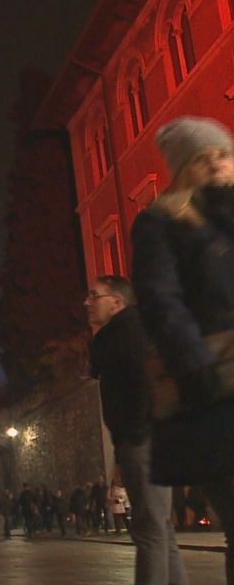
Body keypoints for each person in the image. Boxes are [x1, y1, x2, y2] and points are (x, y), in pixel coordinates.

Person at [131, 115, 234, 583]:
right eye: (201, 159)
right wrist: (195, 365)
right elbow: (159, 299)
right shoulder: (161, 222)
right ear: (180, 169)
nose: (216, 166)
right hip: (215, 386)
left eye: (223, 155)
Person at [88, 269, 191, 583]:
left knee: (149, 531)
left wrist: (133, 437)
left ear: (116, 302)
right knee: (160, 530)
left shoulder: (128, 332)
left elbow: (142, 384)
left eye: (95, 295)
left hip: (143, 441)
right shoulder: (121, 332)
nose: (87, 302)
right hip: (147, 439)